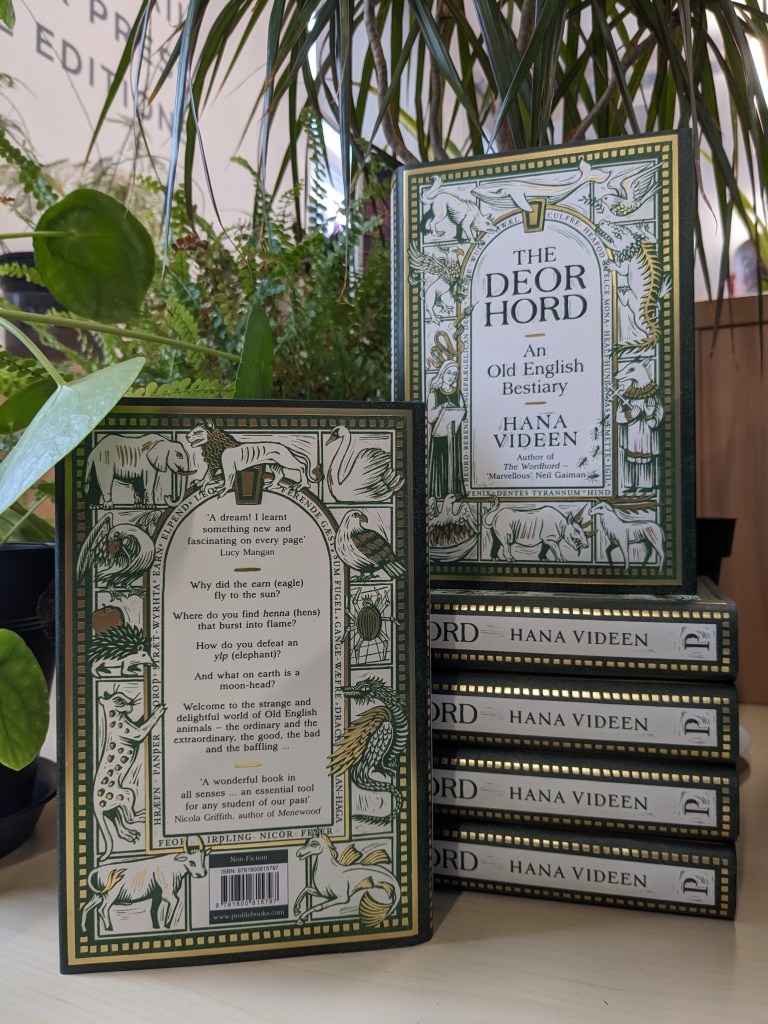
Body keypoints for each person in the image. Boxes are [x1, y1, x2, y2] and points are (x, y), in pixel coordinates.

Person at [427, 360, 467, 500]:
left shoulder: (458, 394)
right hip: (439, 437)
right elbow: (430, 416)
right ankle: (439, 494)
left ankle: (454, 491)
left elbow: (463, 412)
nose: (452, 376)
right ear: (442, 374)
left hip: (453, 436)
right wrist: (442, 407)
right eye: (449, 373)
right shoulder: (434, 394)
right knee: (440, 463)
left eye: (455, 374)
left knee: (453, 462)